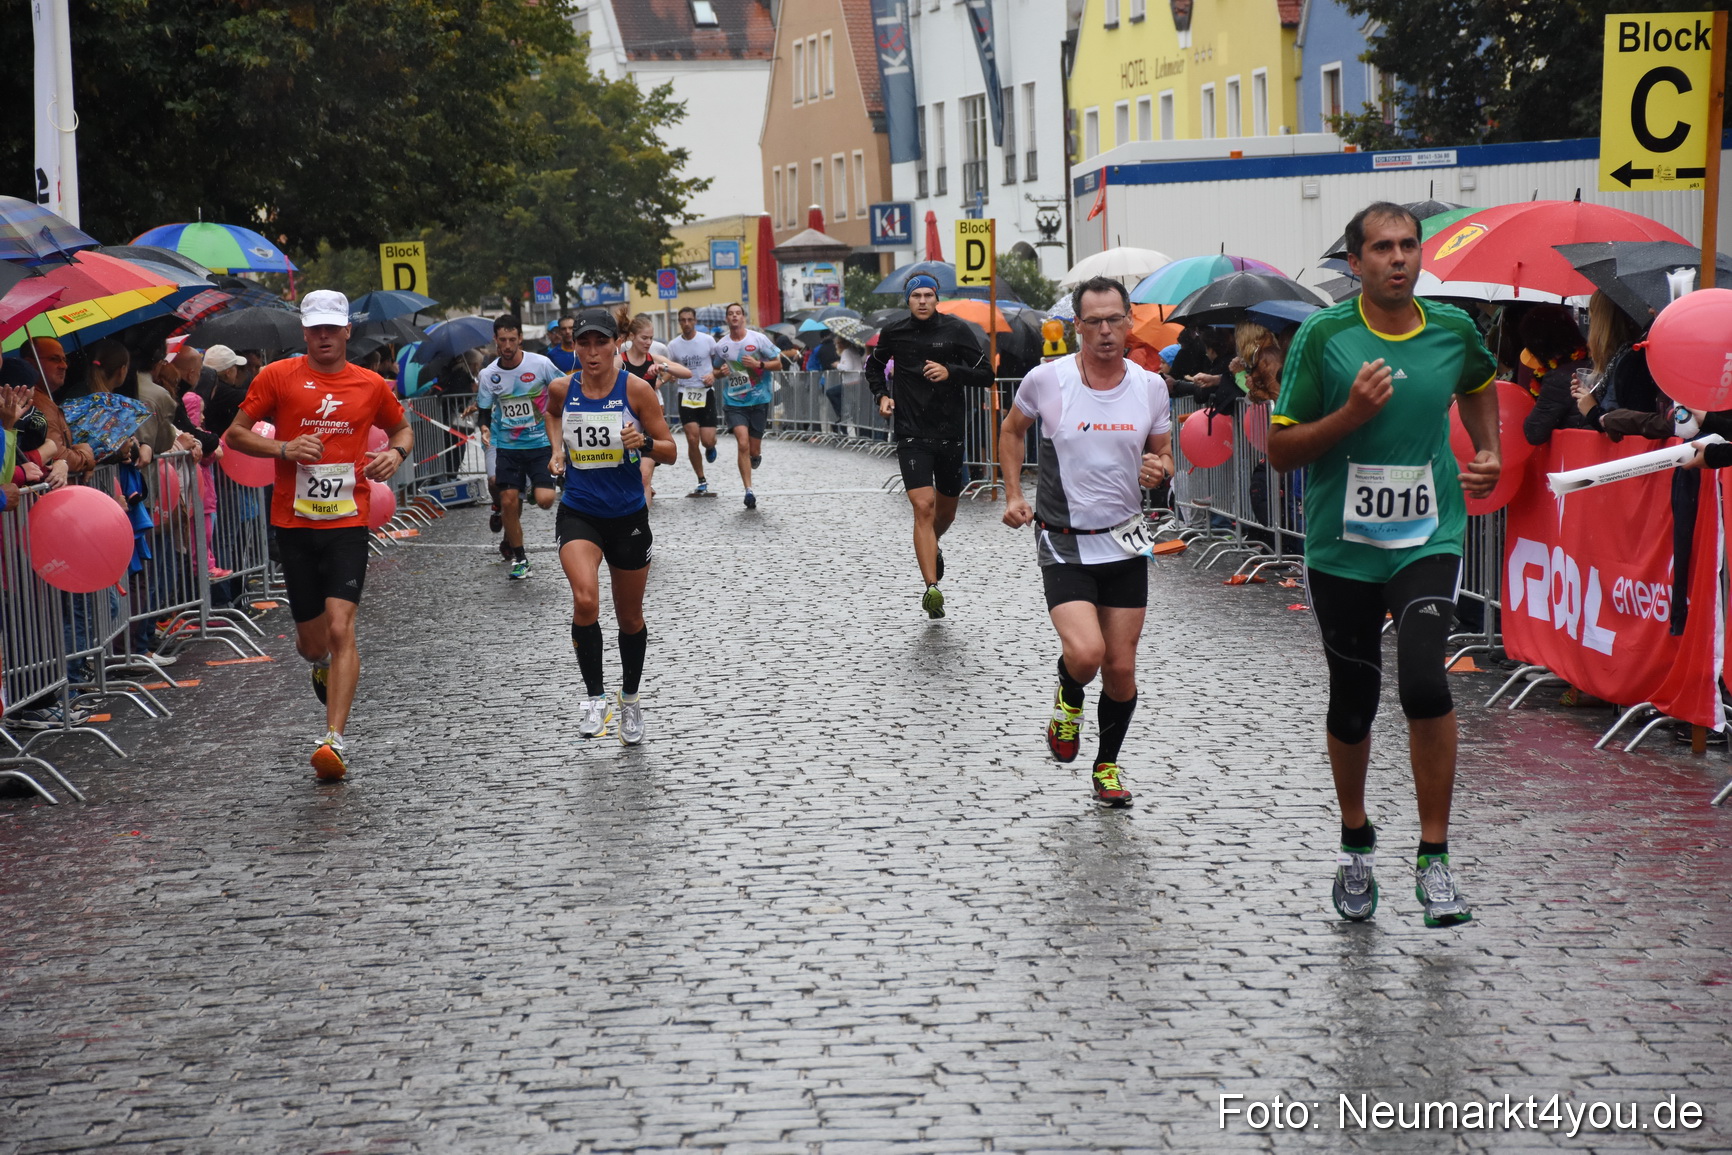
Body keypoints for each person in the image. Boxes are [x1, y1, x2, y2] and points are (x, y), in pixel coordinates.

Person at [1266, 202, 1500, 929]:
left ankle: (1434, 858)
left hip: (1428, 537)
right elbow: (1280, 450)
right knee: (1354, 699)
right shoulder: (1325, 336)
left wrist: (1488, 449)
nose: (1398, 258)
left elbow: (1478, 383)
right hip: (1342, 547)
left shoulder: (1452, 329)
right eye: (1382, 248)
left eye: (1408, 246)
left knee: (1425, 682)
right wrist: (1351, 416)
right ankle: (1356, 842)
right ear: (1355, 261)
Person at [997, 275, 1174, 807]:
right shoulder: (1046, 380)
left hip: (1124, 542)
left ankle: (1107, 766)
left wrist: (1160, 469)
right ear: (1076, 325)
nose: (1105, 331)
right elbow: (1011, 431)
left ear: (1128, 321)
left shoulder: (1150, 386)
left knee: (1120, 668)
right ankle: (1069, 696)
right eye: (1093, 321)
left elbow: (1164, 454)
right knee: (1087, 653)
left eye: (1114, 320)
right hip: (1064, 541)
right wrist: (1013, 493)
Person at [224, 290, 414, 782]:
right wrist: (284, 448)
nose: (325, 336)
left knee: (340, 628)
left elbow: (403, 430)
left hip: (348, 522)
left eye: (333, 327)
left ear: (347, 330)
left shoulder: (370, 384)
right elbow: (235, 434)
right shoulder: (276, 377)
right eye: (316, 329)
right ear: (304, 332)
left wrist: (395, 454)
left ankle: (333, 740)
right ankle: (320, 666)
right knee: (313, 644)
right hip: (294, 524)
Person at [541, 308, 677, 745]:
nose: (592, 352)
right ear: (575, 346)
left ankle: (630, 700)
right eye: (584, 343)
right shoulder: (562, 388)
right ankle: (595, 698)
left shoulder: (636, 390)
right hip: (580, 511)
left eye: (601, 342)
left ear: (616, 344)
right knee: (585, 599)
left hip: (628, 516)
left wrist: (645, 442)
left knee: (630, 616)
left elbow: (670, 449)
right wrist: (557, 450)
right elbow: (552, 414)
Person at [865, 274, 992, 617]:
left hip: (950, 431)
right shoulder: (894, 331)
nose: (922, 301)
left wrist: (951, 371)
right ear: (907, 300)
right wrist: (882, 396)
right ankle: (932, 589)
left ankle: (931, 545)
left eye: (928, 295)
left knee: (946, 513)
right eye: (916, 296)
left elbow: (987, 375)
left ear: (937, 299)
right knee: (923, 506)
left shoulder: (956, 330)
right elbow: (873, 367)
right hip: (911, 432)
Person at [475, 316, 563, 580]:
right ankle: (521, 558)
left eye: (512, 340)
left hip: (539, 443)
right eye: (502, 340)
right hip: (507, 446)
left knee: (546, 501)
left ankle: (534, 488)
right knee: (508, 500)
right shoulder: (488, 375)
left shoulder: (541, 364)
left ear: (520, 339)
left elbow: (562, 388)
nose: (507, 345)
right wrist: (484, 427)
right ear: (495, 340)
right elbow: (483, 411)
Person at [618, 310, 691, 508]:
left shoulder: (653, 359)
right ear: (632, 337)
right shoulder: (620, 361)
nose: (648, 342)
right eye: (644, 338)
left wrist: (664, 368)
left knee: (644, 476)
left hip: (648, 425)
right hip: (625, 426)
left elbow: (686, 372)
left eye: (651, 338)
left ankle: (642, 520)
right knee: (626, 478)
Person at [715, 303, 778, 509]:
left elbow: (778, 363)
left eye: (738, 313)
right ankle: (748, 490)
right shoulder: (721, 346)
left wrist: (759, 364)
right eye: (730, 314)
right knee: (742, 443)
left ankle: (755, 456)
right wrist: (720, 372)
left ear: (743, 317)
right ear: (727, 319)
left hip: (759, 400)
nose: (734, 317)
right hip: (734, 402)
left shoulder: (758, 339)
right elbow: (715, 370)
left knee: (753, 450)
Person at [667, 306, 722, 495]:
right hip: (686, 393)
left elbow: (719, 365)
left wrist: (713, 375)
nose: (686, 323)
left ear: (695, 321)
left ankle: (710, 446)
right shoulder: (673, 345)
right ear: (679, 322)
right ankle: (701, 479)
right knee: (692, 438)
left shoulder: (707, 341)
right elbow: (669, 367)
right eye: (683, 320)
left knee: (707, 440)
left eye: (689, 319)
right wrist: (670, 376)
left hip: (705, 392)